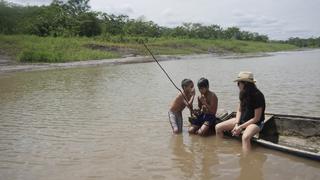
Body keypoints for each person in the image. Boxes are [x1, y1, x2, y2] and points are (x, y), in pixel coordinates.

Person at [215, 71, 265, 153]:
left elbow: (257, 118)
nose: (237, 85)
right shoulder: (242, 93)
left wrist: (241, 127)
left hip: (255, 123)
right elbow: (239, 110)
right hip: (242, 121)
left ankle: (245, 161)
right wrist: (237, 124)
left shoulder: (257, 95)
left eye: (238, 83)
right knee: (218, 127)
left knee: (245, 137)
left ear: (245, 84)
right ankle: (221, 149)